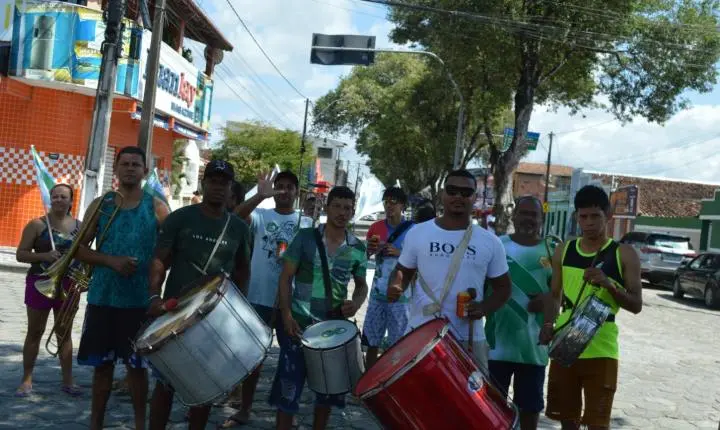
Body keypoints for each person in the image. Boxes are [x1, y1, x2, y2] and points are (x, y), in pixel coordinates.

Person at [147, 159, 251, 430]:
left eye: (224, 183)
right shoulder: (180, 218)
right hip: (176, 311)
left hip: (215, 316)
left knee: (204, 386)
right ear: (203, 184)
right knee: (165, 383)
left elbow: (243, 271)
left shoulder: (239, 228)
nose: (218, 187)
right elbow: (159, 260)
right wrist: (154, 298)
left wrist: (240, 311)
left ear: (231, 188)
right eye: (213, 181)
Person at [75, 146, 170, 430]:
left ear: (144, 171)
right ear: (116, 168)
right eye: (125, 163)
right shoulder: (101, 204)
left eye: (135, 164)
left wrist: (157, 281)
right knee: (102, 368)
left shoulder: (157, 206)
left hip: (140, 301)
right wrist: (110, 261)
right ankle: (95, 424)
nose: (130, 168)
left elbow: (170, 248)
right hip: (103, 297)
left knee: (137, 369)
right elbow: (77, 249)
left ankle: (140, 425)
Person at [387, 169, 511, 368]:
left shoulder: (490, 242)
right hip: (421, 332)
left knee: (470, 390)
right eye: (452, 190)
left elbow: (504, 288)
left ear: (475, 197)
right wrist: (396, 284)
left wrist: (483, 308)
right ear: (442, 194)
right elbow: (403, 270)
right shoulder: (418, 233)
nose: (458, 197)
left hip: (468, 338)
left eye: (466, 192)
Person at [542, 185, 642, 430]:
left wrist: (610, 285)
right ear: (576, 216)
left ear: (608, 215)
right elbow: (554, 296)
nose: (588, 223)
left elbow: (636, 305)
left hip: (602, 348)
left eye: (595, 216)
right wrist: (548, 324)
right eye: (583, 216)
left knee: (598, 423)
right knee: (567, 420)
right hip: (566, 343)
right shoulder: (564, 250)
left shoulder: (624, 254)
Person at [272, 186, 369, 430]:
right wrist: (286, 315)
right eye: (337, 206)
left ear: (353, 212)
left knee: (326, 394)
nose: (342, 212)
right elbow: (285, 278)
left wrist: (356, 303)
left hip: (332, 331)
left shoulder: (357, 248)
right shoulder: (305, 238)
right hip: (299, 326)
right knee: (288, 392)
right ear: (327, 207)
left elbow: (361, 286)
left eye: (347, 208)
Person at [220, 170, 311, 428]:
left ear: (297, 192)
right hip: (257, 297)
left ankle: (287, 413)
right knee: (253, 358)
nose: (284, 191)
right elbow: (234, 218)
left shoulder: (306, 223)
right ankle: (244, 408)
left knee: (291, 360)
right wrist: (259, 195)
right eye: (279, 186)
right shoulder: (261, 215)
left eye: (289, 187)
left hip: (290, 303)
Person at [485, 196, 553, 430]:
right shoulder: (497, 245)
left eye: (534, 214)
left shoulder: (552, 250)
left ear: (542, 219)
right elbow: (481, 284)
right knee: (491, 408)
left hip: (534, 348)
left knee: (530, 409)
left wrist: (547, 300)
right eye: (523, 213)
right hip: (497, 345)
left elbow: (561, 295)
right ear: (514, 216)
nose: (528, 219)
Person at [14, 184, 81, 398]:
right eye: (55, 196)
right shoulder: (36, 225)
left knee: (64, 332)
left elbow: (85, 256)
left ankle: (68, 380)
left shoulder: (80, 226)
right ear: (50, 199)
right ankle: (26, 379)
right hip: (39, 283)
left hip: (69, 284)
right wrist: (44, 256)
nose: (59, 200)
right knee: (35, 331)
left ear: (71, 201)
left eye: (64, 197)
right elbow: (21, 254)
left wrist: (85, 278)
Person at [362, 187, 413, 368]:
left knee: (398, 343)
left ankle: (393, 376)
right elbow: (365, 256)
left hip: (401, 296)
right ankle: (369, 376)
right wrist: (370, 250)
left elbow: (419, 261)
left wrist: (399, 252)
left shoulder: (413, 230)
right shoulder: (375, 227)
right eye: (386, 202)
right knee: (372, 341)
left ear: (403, 205)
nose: (389, 206)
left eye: (394, 202)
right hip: (377, 293)